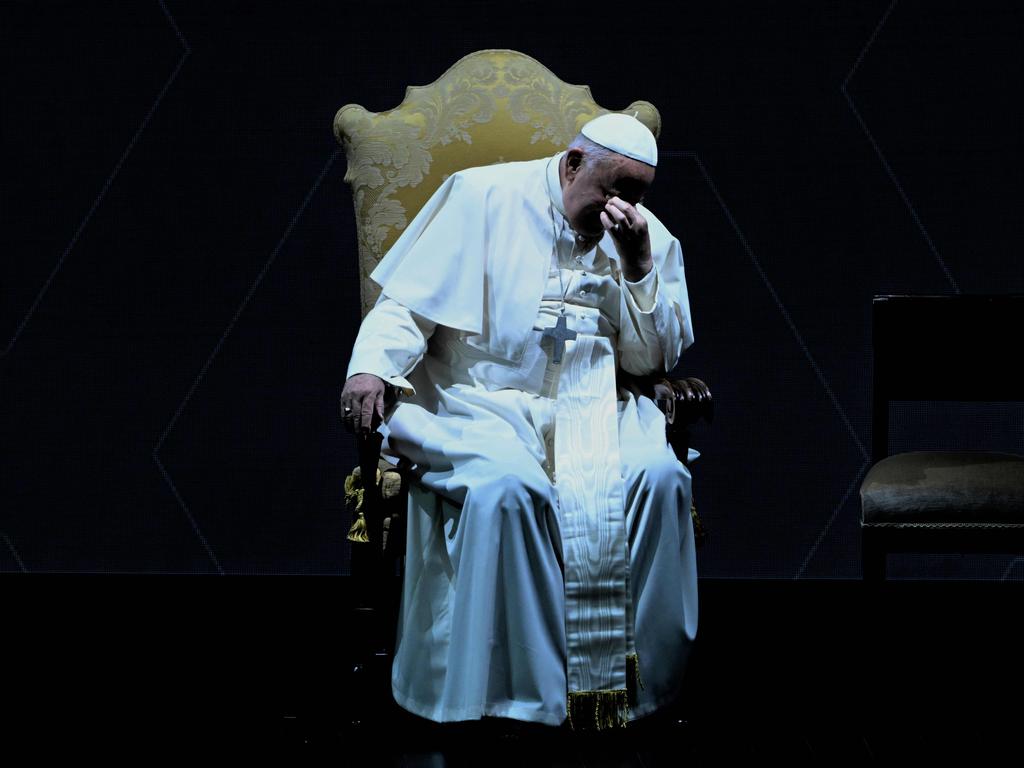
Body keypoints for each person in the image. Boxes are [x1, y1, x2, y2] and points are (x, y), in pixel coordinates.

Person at [340, 113, 698, 730]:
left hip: (596, 404)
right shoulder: (481, 196)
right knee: (511, 488)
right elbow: (405, 307)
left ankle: (631, 693)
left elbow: (651, 361)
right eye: (611, 190)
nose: (620, 208)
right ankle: (517, 698)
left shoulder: (642, 236)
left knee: (658, 479)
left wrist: (639, 268)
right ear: (574, 163)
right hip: (481, 401)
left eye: (636, 195)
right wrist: (370, 368)